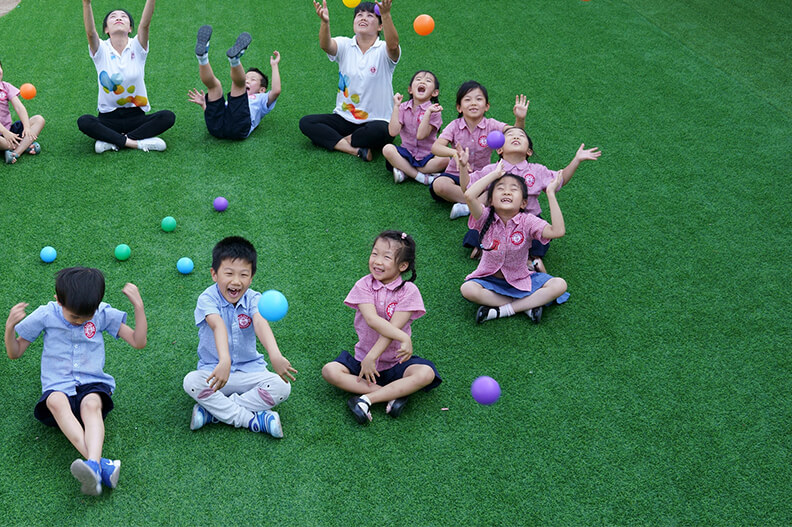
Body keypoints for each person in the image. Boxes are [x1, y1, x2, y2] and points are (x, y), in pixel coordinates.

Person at [5, 267, 147, 496]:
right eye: (74, 317)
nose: (80, 321)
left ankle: (92, 464)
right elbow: (15, 352)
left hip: (92, 384)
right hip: (58, 386)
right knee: (55, 402)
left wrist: (139, 308)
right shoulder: (46, 314)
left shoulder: (101, 313)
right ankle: (101, 465)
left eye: (86, 317)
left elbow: (138, 342)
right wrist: (9, 327)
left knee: (91, 405)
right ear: (58, 300)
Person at [182, 236, 297, 438]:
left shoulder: (254, 298)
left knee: (282, 387)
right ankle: (253, 420)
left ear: (251, 278)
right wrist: (224, 360)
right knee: (191, 381)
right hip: (215, 372)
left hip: (250, 371)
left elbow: (260, 323)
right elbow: (217, 325)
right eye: (229, 273)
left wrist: (275, 355)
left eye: (244, 275)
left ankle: (214, 412)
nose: (236, 281)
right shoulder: (206, 298)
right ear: (214, 274)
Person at [321, 230, 441, 424]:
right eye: (374, 253)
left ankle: (367, 399)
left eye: (386, 257)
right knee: (330, 371)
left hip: (396, 363)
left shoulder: (409, 291)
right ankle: (393, 394)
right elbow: (372, 320)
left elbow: (391, 330)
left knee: (426, 373)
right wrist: (403, 339)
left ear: (403, 266)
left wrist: (374, 356)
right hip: (363, 361)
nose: (377, 261)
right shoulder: (364, 285)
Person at [460, 127, 599, 271]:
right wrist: (463, 166)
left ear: (529, 151)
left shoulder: (537, 170)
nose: (516, 137)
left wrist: (576, 160)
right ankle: (490, 250)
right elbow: (468, 188)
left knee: (538, 242)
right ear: (499, 149)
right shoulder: (492, 170)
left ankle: (529, 258)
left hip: (529, 220)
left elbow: (560, 179)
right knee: (479, 228)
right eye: (510, 135)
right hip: (498, 218)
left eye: (521, 135)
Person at [72, 0, 175, 153]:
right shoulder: (101, 50)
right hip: (107, 118)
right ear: (106, 29)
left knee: (168, 117)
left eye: (123, 17)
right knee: (85, 121)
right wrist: (86, 3)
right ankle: (136, 143)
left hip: (137, 116)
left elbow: (145, 24)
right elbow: (90, 32)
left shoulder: (138, 47)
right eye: (113, 17)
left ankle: (112, 141)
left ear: (130, 28)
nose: (118, 18)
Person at [461, 163, 569, 324]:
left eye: (514, 189)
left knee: (560, 285)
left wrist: (551, 194)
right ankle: (527, 306)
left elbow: (558, 231)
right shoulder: (484, 217)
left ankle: (502, 310)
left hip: (521, 279)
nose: (506, 191)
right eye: (500, 188)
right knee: (468, 289)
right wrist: (494, 175)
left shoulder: (528, 221)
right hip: (489, 279)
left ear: (523, 203)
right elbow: (469, 196)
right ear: (490, 200)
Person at [299, 0, 400, 161]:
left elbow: (393, 45)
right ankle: (356, 149)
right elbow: (326, 45)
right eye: (359, 15)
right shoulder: (345, 44)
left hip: (375, 121)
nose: (363, 18)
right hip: (344, 118)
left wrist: (386, 14)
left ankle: (340, 140)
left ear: (380, 25)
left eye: (370, 15)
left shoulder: (384, 50)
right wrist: (325, 23)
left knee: (383, 131)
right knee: (306, 123)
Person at [429, 81, 528, 219]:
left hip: (482, 178)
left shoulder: (492, 125)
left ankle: (467, 206)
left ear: (487, 106)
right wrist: (454, 154)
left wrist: (520, 118)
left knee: (496, 188)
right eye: (467, 99)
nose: (473, 103)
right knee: (439, 184)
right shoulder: (454, 126)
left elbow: (515, 134)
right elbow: (436, 147)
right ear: (459, 107)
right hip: (456, 175)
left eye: (479, 99)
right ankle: (474, 204)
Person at [186, 26, 281, 140]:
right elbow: (216, 114)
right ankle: (202, 57)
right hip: (216, 127)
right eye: (246, 77)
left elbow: (276, 90)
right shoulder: (237, 98)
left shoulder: (261, 99)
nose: (248, 80)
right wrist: (205, 105)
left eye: (253, 79)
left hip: (238, 127)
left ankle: (233, 60)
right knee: (214, 87)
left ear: (262, 89)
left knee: (236, 85)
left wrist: (274, 65)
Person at [381, 70, 448, 185]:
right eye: (418, 79)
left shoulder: (435, 111)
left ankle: (405, 170)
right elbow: (393, 132)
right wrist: (396, 107)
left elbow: (421, 135)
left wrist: (428, 113)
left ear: (435, 93)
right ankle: (420, 177)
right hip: (406, 152)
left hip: (427, 155)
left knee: (445, 159)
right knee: (387, 149)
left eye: (428, 81)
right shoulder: (402, 107)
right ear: (410, 90)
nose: (422, 81)